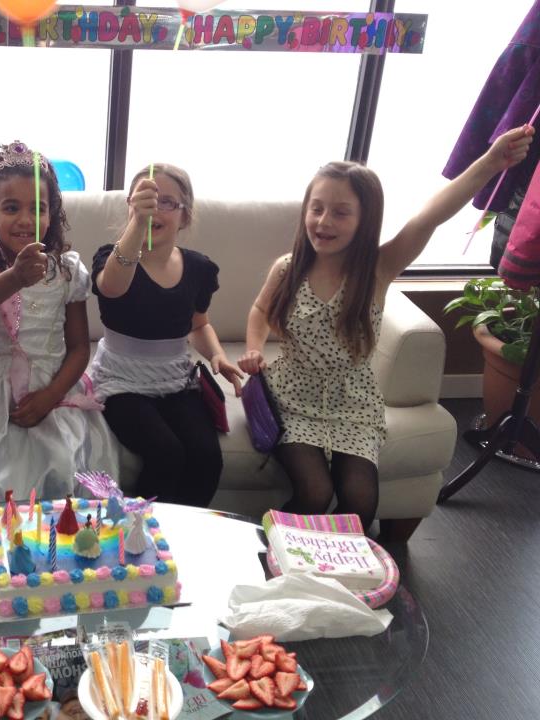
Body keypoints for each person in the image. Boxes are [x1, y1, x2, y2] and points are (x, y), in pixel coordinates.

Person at [238, 125, 535, 530]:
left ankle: (338, 572)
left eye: (341, 212)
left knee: (360, 504)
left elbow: (430, 217)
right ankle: (274, 549)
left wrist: (490, 163)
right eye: (317, 208)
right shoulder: (288, 268)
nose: (324, 221)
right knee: (314, 493)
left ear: (365, 220)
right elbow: (258, 309)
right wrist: (254, 348)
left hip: (354, 405)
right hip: (293, 395)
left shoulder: (377, 269)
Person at [0, 140, 119, 508]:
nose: (26, 219)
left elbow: (78, 348)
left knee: (64, 463)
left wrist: (49, 397)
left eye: (38, 208)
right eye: (11, 208)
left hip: (52, 387)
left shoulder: (67, 269)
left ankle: (56, 557)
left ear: (50, 215)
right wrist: (15, 277)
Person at [90, 164, 242, 506]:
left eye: (167, 203)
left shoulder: (199, 268)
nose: (154, 210)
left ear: (185, 216)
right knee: (165, 453)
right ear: (130, 206)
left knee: (206, 457)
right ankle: (138, 531)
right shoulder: (111, 257)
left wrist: (217, 355)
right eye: (144, 201)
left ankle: (184, 534)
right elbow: (112, 288)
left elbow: (199, 323)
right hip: (120, 381)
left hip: (176, 380)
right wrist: (136, 226)